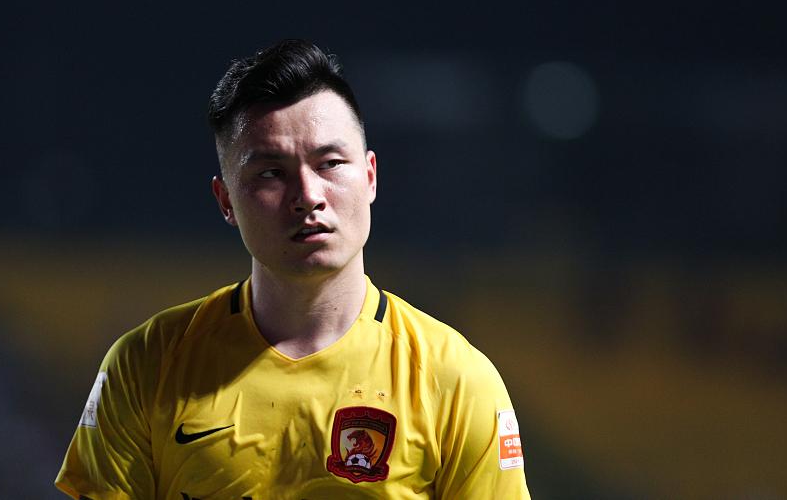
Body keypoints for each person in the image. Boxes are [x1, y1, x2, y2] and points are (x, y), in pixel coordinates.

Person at [54, 39, 530, 499]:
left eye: (330, 163)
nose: (307, 196)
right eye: (271, 173)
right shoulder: (146, 364)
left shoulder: (455, 380)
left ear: (370, 177)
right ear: (226, 201)